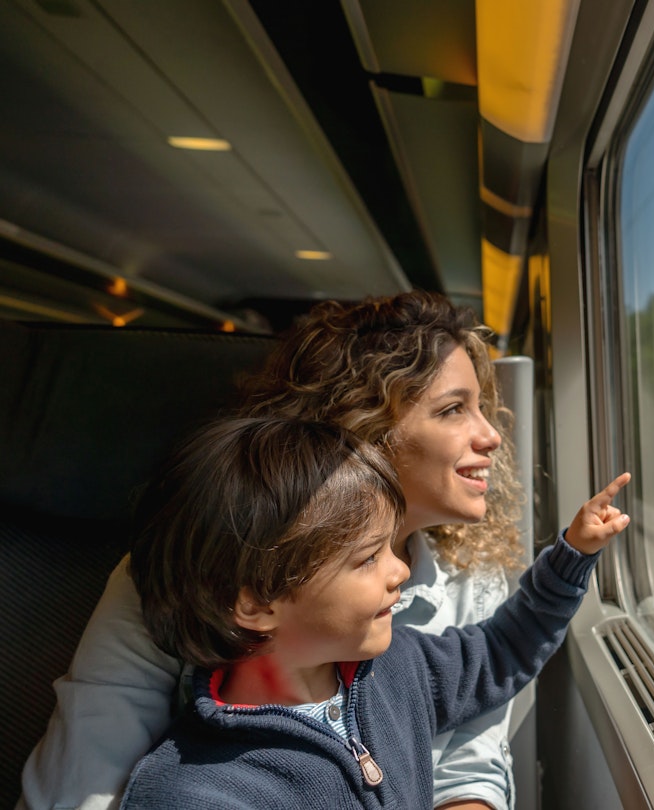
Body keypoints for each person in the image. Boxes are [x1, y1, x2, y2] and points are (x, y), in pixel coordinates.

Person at [22, 292, 531, 810]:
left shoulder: (475, 584)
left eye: (482, 409)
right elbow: (87, 778)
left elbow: (469, 766)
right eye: (453, 410)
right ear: (366, 427)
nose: (491, 435)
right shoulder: (191, 574)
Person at [117, 416, 631, 808]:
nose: (400, 572)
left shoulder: (399, 669)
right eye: (368, 558)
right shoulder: (198, 791)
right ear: (256, 602)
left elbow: (501, 650)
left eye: (393, 547)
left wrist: (571, 557)